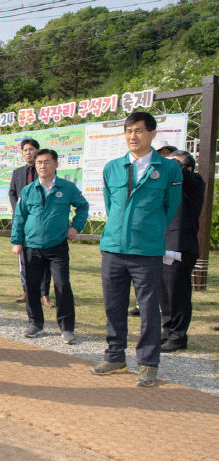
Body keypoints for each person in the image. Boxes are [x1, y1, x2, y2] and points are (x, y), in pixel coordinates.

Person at [90, 112, 182, 388]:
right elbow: (111, 205)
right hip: (113, 248)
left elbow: (171, 206)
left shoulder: (168, 169)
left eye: (139, 131)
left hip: (147, 250)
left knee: (149, 308)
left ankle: (148, 363)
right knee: (113, 305)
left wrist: (148, 230)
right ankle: (115, 355)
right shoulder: (112, 167)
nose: (133, 136)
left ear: (153, 134)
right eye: (129, 131)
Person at [10, 148, 89, 344]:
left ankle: (67, 327)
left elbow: (83, 207)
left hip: (57, 246)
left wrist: (75, 227)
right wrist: (17, 241)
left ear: (56, 164)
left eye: (47, 162)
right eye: (39, 163)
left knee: (62, 285)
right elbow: (19, 217)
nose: (43, 166)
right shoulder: (28, 190)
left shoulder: (67, 188)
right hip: (31, 246)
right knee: (32, 286)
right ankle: (35, 323)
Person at [160, 151, 205, 352]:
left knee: (177, 293)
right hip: (162, 244)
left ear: (187, 168)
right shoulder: (171, 188)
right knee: (164, 292)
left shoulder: (194, 181)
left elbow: (181, 172)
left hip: (181, 246)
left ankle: (178, 336)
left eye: (175, 165)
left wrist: (165, 161)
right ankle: (168, 330)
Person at [9, 139, 53, 306]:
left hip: (41, 221)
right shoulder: (17, 172)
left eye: (32, 149)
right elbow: (12, 193)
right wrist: (19, 210)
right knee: (23, 260)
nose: (28, 152)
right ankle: (26, 291)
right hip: (22, 221)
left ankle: (44, 294)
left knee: (45, 259)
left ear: (37, 151)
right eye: (25, 150)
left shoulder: (43, 171)